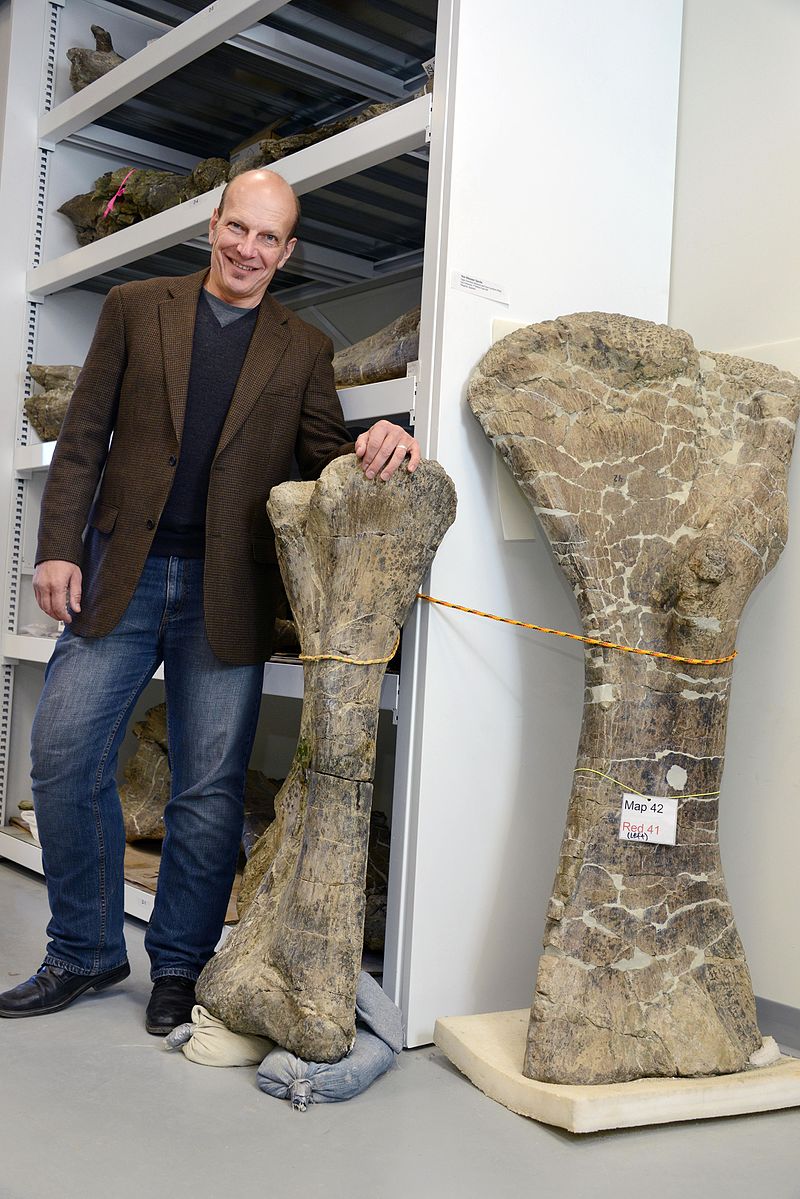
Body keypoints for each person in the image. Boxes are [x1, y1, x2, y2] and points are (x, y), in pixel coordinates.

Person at [0, 169, 420, 1033]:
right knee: (64, 754)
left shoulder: (303, 347)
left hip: (226, 590)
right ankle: (84, 947)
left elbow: (322, 456)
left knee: (207, 790)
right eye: (238, 228)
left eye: (268, 238)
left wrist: (383, 437)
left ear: (287, 252)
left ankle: (179, 966)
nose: (248, 249)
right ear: (212, 224)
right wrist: (57, 548)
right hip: (121, 571)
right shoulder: (135, 307)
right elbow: (83, 437)